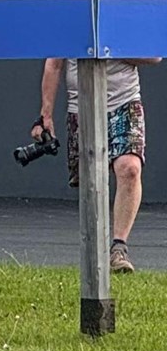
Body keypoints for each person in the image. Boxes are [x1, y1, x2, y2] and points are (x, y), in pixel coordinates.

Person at [36, 57, 160, 273]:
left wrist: (110, 47)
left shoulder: (126, 21)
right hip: (82, 105)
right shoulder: (71, 22)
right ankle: (94, 252)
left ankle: (119, 248)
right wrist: (45, 116)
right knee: (89, 180)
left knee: (130, 168)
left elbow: (153, 56)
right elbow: (54, 63)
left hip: (125, 102)